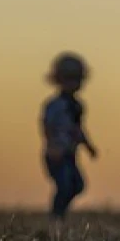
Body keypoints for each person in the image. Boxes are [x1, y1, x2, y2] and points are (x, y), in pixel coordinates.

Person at [41, 52, 97, 231]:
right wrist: (52, 146)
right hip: (56, 153)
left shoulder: (78, 106)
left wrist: (88, 146)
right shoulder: (54, 105)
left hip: (70, 153)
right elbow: (47, 125)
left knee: (77, 185)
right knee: (64, 184)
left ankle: (60, 214)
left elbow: (78, 129)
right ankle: (55, 216)